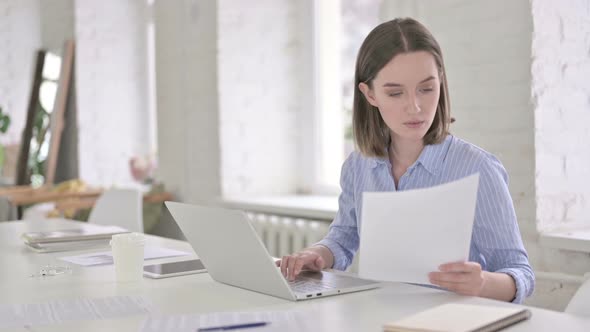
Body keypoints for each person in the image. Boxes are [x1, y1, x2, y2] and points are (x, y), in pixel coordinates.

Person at [277, 18, 534, 303]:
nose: (415, 107)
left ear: (441, 81)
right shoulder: (357, 166)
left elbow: (519, 272)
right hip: (378, 316)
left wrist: (483, 283)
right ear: (369, 94)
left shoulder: (478, 168)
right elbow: (344, 237)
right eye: (395, 92)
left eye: (426, 88)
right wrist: (317, 254)